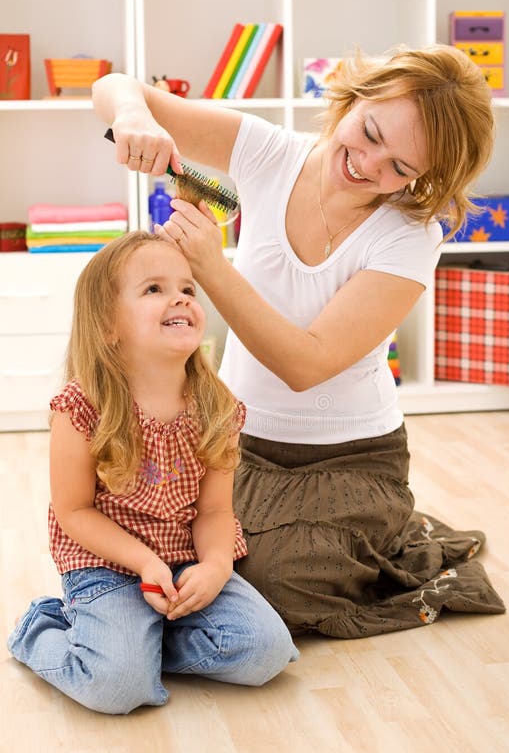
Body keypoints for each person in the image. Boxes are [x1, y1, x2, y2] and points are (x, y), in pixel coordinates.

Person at [91, 44, 506, 639]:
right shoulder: (269, 154)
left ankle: (387, 531)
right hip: (235, 443)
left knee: (275, 587)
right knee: (147, 538)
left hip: (346, 458)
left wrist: (212, 266)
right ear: (357, 94)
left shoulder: (410, 237)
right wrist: (133, 118)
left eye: (400, 168)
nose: (368, 164)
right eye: (368, 132)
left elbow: (305, 364)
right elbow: (113, 85)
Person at [7, 231, 299, 713]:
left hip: (185, 562)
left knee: (266, 651)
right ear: (107, 326)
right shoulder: (81, 408)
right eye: (153, 289)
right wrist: (144, 563)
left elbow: (215, 510)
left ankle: (136, 649)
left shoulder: (217, 406)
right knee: (115, 691)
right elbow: (74, 511)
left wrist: (215, 566)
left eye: (187, 288)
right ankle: (41, 629)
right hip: (108, 566)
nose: (180, 297)